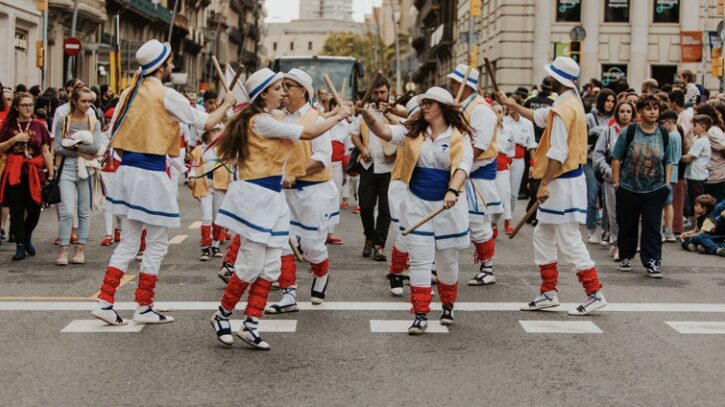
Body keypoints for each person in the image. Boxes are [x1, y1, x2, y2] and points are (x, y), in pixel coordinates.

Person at [91, 39, 237, 326]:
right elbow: (204, 123)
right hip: (149, 176)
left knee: (130, 242)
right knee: (156, 242)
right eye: (170, 62)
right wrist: (227, 105)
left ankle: (105, 301)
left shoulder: (130, 91)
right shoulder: (165, 94)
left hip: (127, 172)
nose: (173, 66)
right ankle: (143, 305)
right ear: (161, 66)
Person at [210, 68, 351, 349]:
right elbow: (309, 133)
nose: (283, 93)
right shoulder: (262, 122)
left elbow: (311, 132)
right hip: (256, 199)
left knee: (272, 266)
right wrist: (339, 115)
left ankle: (250, 324)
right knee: (250, 264)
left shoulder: (270, 118)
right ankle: (222, 315)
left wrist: (334, 115)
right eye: (278, 89)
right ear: (264, 94)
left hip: (274, 198)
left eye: (286, 88)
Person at [357, 86, 473, 334]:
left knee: (446, 262)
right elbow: (384, 131)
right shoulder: (412, 131)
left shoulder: (459, 136)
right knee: (420, 260)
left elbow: (463, 166)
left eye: (429, 103)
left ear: (442, 107)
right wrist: (366, 115)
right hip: (417, 203)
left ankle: (448, 306)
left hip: (447, 207)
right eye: (423, 103)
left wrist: (452, 190)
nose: (424, 107)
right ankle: (420, 313)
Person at [497, 56, 607, 315]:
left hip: (561, 180)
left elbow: (558, 151)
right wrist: (511, 104)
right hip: (566, 179)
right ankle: (549, 292)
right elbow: (537, 116)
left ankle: (594, 292)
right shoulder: (569, 102)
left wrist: (545, 183)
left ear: (557, 79)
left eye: (551, 76)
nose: (548, 79)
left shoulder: (563, 108)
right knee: (544, 233)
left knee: (568, 238)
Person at [266, 68, 340, 313]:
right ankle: (289, 295)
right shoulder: (276, 118)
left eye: (288, 85)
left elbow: (322, 157)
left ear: (303, 91)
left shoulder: (316, 120)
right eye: (282, 85)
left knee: (311, 246)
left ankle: (322, 272)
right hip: (283, 192)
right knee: (282, 242)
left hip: (313, 192)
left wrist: (294, 173)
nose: (283, 90)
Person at [447, 64, 501, 287]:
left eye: (454, 82)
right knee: (450, 221)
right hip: (463, 171)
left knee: (477, 224)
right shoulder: (461, 106)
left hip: (476, 174)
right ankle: (436, 267)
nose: (451, 85)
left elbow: (479, 146)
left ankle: (487, 269)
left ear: (463, 85)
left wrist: (460, 164)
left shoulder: (481, 110)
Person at [612, 93, 675, 278]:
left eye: (655, 108)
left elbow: (669, 160)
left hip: (654, 189)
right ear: (640, 111)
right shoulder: (629, 132)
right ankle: (625, 256)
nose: (653, 112)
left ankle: (653, 262)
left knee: (653, 226)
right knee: (627, 224)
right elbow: (616, 158)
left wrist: (666, 183)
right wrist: (616, 183)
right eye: (648, 108)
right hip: (628, 187)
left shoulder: (663, 134)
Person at [0, 92, 54, 260]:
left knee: (34, 209)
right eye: (24, 105)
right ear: (17, 107)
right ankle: (20, 245)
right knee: (16, 210)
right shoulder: (9, 125)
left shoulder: (39, 126)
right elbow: (1, 147)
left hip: (34, 172)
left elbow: (45, 150)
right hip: (14, 171)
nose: (28, 108)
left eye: (30, 105)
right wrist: (14, 140)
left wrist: (51, 173)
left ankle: (27, 235)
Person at [55, 86, 102, 265]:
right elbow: (58, 148)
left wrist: (72, 145)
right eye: (83, 101)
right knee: (66, 210)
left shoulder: (93, 122)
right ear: (74, 101)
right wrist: (80, 151)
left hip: (87, 169)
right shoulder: (63, 121)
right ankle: (63, 250)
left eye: (90, 101)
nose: (87, 104)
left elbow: (95, 148)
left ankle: (80, 249)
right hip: (66, 168)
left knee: (84, 211)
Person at [350, 75, 396, 261]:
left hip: (389, 166)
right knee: (366, 206)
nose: (379, 96)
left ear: (389, 92)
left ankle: (379, 245)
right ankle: (369, 237)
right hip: (368, 165)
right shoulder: (364, 110)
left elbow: (404, 129)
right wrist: (362, 149)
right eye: (376, 93)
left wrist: (389, 113)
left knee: (385, 209)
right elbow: (354, 134)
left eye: (382, 92)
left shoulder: (395, 111)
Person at [593, 101, 635, 261]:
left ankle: (627, 243)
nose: (625, 114)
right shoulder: (608, 132)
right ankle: (618, 243)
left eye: (628, 111)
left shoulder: (636, 132)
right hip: (611, 179)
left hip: (632, 180)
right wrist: (607, 170)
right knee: (614, 213)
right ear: (617, 113)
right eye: (622, 111)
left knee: (630, 214)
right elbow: (598, 155)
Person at [188, 126, 229, 261]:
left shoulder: (224, 149)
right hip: (204, 186)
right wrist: (191, 177)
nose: (217, 134)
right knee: (207, 217)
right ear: (207, 134)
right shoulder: (199, 150)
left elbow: (231, 167)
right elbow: (194, 167)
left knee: (218, 217)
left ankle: (215, 245)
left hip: (221, 186)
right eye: (214, 132)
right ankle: (206, 247)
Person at [584, 89, 616, 244]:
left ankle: (605, 230)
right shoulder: (589, 117)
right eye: (607, 100)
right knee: (592, 197)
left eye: (612, 101)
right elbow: (582, 137)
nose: (610, 104)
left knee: (606, 198)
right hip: (590, 160)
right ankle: (592, 230)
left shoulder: (614, 118)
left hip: (608, 161)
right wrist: (593, 132)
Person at [506, 94, 537, 223]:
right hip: (504, 160)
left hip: (519, 161)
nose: (509, 106)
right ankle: (503, 219)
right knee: (504, 191)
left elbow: (531, 145)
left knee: (513, 193)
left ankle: (509, 214)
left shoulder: (528, 123)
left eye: (512, 103)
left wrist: (532, 164)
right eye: (507, 103)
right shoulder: (503, 121)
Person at [657, 110, 683, 243]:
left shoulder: (670, 136)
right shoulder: (677, 134)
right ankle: (669, 231)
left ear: (668, 122)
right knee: (669, 203)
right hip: (675, 170)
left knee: (662, 203)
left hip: (667, 170)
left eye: (662, 123)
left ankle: (661, 231)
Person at [682, 114, 713, 222]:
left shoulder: (701, 141)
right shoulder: (698, 139)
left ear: (703, 127)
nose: (693, 128)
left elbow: (689, 158)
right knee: (694, 200)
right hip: (696, 175)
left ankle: (697, 224)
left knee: (697, 202)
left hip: (697, 176)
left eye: (695, 125)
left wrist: (676, 158)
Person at [492, 103, 515, 234]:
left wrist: (507, 162)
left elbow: (511, 150)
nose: (497, 115)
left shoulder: (509, 131)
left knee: (503, 197)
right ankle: (490, 225)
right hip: (488, 167)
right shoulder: (487, 129)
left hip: (502, 167)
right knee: (490, 199)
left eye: (499, 112)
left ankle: (495, 222)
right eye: (494, 112)